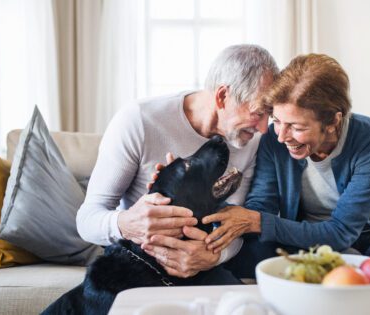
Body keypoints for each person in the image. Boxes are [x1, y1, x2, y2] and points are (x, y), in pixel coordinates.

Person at [201, 54, 370, 274]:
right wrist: (208, 205)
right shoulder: (273, 139)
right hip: (309, 239)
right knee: (337, 268)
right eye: (277, 121)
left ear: (332, 122)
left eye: (297, 127)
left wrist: (257, 221)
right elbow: (260, 207)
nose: (282, 136)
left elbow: (341, 232)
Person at [76, 44, 279, 280]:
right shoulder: (139, 120)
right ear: (223, 96)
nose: (265, 128)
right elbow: (87, 220)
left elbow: (235, 225)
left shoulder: (250, 139)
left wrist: (214, 255)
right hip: (137, 262)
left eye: (269, 114)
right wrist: (127, 223)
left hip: (203, 264)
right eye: (258, 112)